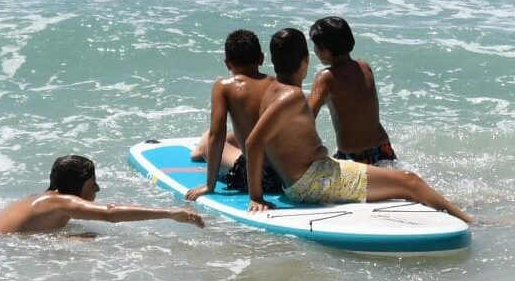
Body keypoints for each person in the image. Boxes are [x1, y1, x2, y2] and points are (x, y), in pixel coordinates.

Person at [242, 28, 470, 223]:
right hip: (315, 182)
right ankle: (470, 221)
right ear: (306, 60)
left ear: (272, 60)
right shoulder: (291, 96)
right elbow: (254, 142)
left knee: (401, 185)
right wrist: (256, 197)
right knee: (409, 181)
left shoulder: (271, 88)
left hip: (306, 180)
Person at [0, 155, 205, 235]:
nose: (97, 189)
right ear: (77, 185)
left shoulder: (37, 199)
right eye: (93, 183)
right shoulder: (62, 202)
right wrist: (169, 213)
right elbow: (110, 213)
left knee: (83, 238)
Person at [188, 28, 286, 202]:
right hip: (286, 175)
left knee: (205, 142)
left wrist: (209, 186)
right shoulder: (277, 84)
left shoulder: (224, 86)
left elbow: (217, 135)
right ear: (261, 58)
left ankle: (199, 151)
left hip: (257, 178)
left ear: (227, 63)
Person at [305, 15, 394, 164]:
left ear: (325, 50)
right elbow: (351, 98)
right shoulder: (364, 67)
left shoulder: (325, 78)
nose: (314, 51)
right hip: (383, 147)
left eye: (316, 46)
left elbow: (306, 119)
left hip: (354, 156)